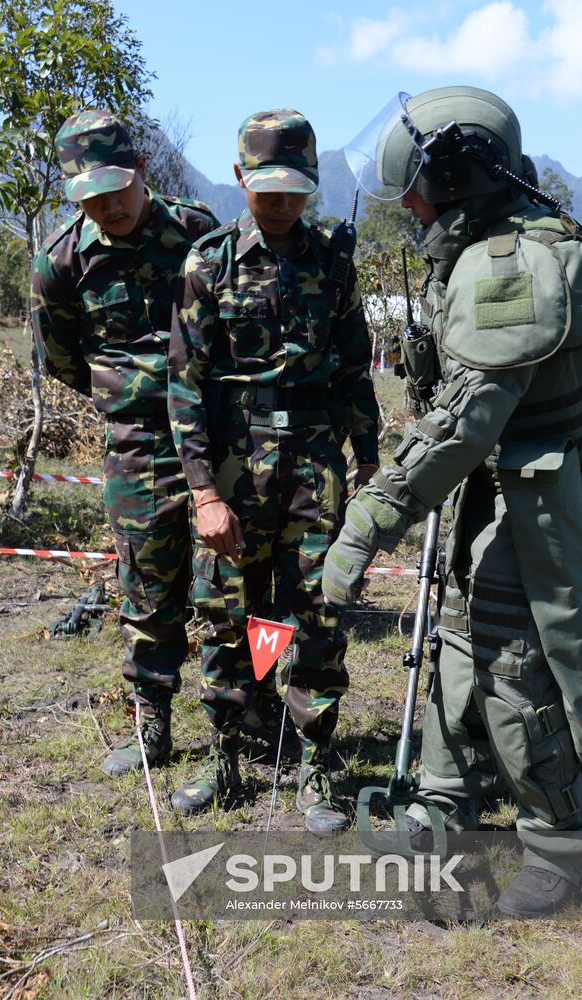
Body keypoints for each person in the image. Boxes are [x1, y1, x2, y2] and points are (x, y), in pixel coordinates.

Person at [323, 87, 582, 913]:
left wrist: (364, 526)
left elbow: (462, 423)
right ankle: (446, 802)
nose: (407, 206)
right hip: (514, 471)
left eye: (415, 190)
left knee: (517, 661)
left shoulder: (515, 264)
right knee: (458, 634)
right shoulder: (483, 243)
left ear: (457, 175)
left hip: (552, 488)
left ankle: (563, 845)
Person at [31, 109, 295, 778]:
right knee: (146, 593)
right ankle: (152, 726)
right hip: (138, 450)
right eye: (88, 193)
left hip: (219, 441)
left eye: (116, 186)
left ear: (143, 171)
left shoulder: (198, 232)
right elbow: (64, 357)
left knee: (238, 589)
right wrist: (132, 392)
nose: (107, 204)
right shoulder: (61, 263)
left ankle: (254, 715)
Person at [167, 108, 379, 833]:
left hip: (316, 464)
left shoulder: (333, 261)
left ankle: (317, 757)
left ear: (312, 185)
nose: (283, 203)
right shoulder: (208, 263)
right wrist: (202, 492)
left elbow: (355, 369)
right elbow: (184, 386)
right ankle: (224, 750)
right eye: (268, 190)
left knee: (316, 611)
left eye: (296, 189)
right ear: (240, 180)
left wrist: (371, 461)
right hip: (233, 465)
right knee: (229, 610)